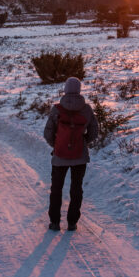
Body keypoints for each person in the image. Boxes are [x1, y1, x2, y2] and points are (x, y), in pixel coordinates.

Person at [43, 77, 99, 231]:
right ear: (79, 90)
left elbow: (47, 132)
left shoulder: (57, 109)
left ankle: (54, 222)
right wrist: (83, 142)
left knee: (56, 189)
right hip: (79, 157)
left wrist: (56, 144)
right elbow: (94, 131)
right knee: (76, 189)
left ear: (65, 90)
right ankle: (72, 222)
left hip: (60, 156)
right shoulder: (86, 109)